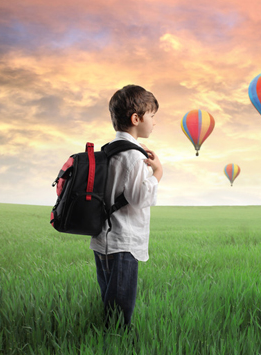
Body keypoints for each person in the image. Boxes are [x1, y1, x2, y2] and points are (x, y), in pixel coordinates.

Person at [90, 84, 163, 329]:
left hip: (104, 238)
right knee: (120, 313)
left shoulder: (110, 150)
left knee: (110, 301)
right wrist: (158, 172)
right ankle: (116, 342)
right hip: (123, 242)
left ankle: (108, 339)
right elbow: (140, 198)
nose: (154, 122)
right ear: (136, 118)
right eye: (152, 116)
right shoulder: (133, 156)